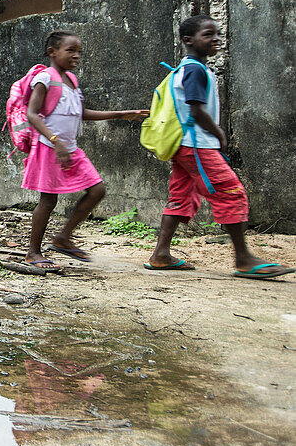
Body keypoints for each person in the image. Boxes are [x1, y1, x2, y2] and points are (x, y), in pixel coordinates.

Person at [145, 15, 294, 279]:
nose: (216, 39)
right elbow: (196, 108)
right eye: (208, 34)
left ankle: (160, 255)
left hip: (186, 145)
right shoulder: (194, 70)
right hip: (197, 146)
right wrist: (219, 134)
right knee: (231, 191)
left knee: (181, 197)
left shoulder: (188, 68)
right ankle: (243, 259)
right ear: (188, 41)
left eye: (217, 33)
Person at [23, 31, 147, 269]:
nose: (77, 55)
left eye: (79, 51)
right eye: (71, 50)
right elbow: (32, 114)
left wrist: (120, 114)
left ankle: (63, 238)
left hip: (70, 148)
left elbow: (81, 113)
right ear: (52, 52)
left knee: (97, 189)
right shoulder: (44, 78)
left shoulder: (72, 80)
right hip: (50, 147)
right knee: (48, 201)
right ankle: (33, 252)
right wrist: (55, 140)